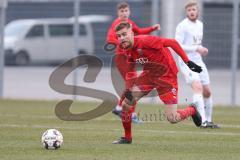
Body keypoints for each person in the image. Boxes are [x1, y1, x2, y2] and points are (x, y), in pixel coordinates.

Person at [112, 22, 203, 144]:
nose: (121, 38)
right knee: (126, 104)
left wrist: (187, 61)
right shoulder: (127, 50)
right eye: (118, 36)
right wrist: (129, 88)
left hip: (167, 76)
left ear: (132, 33)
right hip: (149, 75)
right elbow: (130, 71)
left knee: (172, 118)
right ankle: (127, 138)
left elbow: (172, 43)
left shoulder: (146, 41)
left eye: (124, 34)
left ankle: (192, 110)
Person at [106, 2, 160, 123]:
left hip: (129, 58)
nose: (124, 13)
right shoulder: (116, 24)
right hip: (121, 58)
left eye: (126, 11)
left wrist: (152, 28)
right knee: (133, 84)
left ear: (129, 11)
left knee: (132, 85)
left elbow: (139, 31)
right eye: (122, 11)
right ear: (118, 13)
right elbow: (110, 39)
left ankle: (120, 107)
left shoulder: (130, 23)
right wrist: (122, 43)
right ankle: (128, 112)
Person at [175, 0, 219, 128]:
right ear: (186, 12)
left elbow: (195, 43)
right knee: (198, 88)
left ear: (197, 11)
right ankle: (202, 121)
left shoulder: (200, 25)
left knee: (207, 92)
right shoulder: (182, 26)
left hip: (198, 61)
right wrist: (196, 49)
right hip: (187, 62)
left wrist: (201, 48)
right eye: (189, 10)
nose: (191, 12)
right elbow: (178, 45)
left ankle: (208, 120)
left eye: (193, 9)